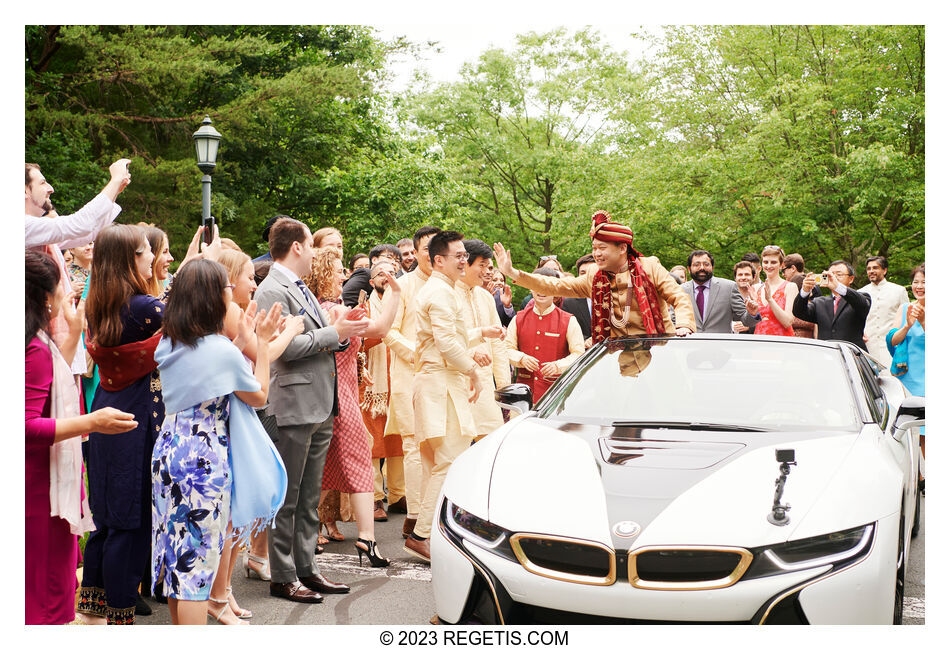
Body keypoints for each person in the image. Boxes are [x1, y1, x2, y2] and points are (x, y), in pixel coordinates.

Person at [151, 259, 283, 625]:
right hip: (204, 459)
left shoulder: (169, 342)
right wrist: (265, 343)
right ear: (212, 299)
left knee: (179, 559)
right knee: (197, 569)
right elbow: (259, 395)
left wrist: (242, 339)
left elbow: (210, 370)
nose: (232, 297)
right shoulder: (221, 352)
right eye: (227, 290)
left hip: (169, 450)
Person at [252, 217, 369, 604]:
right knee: (289, 493)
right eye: (311, 244)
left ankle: (306, 568)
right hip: (293, 403)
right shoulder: (272, 287)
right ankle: (283, 574)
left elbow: (311, 338)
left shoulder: (297, 285)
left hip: (319, 401)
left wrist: (339, 326)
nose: (317, 252)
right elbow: (283, 348)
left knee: (309, 494)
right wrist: (336, 334)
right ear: (298, 246)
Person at [25, 251, 137, 625]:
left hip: (43, 488)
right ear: (44, 297)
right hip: (39, 492)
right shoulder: (34, 350)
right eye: (62, 283)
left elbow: (51, 386)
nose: (69, 288)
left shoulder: (36, 342)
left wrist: (73, 332)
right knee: (47, 598)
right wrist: (93, 421)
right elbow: (23, 427)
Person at [76, 224, 163, 625]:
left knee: (106, 518)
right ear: (131, 260)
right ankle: (119, 615)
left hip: (105, 408)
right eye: (147, 252)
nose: (154, 258)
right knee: (128, 519)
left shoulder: (99, 302)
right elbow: (195, 320)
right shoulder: (145, 308)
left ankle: (92, 608)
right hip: (134, 416)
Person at [307, 247, 400, 567]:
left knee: (320, 471)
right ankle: (365, 539)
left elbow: (371, 336)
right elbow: (380, 329)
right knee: (350, 467)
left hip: (335, 395)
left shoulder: (322, 309)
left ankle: (348, 536)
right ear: (321, 274)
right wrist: (396, 293)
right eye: (336, 270)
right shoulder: (333, 312)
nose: (343, 275)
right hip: (337, 399)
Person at [493, 210, 695, 342]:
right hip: (617, 355)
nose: (596, 254)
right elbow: (555, 286)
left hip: (658, 347)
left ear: (622, 248)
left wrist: (684, 325)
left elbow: (679, 298)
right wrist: (513, 273)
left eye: (602, 248)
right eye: (594, 248)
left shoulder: (649, 267)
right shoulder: (595, 277)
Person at [404, 231, 482, 563]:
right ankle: (421, 534)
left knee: (440, 462)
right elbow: (447, 343)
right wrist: (472, 370)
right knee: (447, 460)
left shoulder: (443, 289)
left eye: (465, 255)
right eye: (458, 256)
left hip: (442, 381)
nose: (464, 261)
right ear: (439, 260)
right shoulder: (438, 292)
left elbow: (452, 339)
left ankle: (429, 529)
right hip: (439, 383)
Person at [26, 159, 131, 375]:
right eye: (42, 183)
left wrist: (115, 190)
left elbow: (87, 233)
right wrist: (114, 179)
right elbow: (78, 224)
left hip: (48, 333)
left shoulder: (37, 230)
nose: (50, 188)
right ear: (23, 191)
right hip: (35, 335)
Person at [383, 226, 441, 541]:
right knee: (414, 447)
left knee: (440, 446)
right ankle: (416, 518)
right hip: (410, 374)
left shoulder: (450, 286)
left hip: (443, 378)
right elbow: (388, 331)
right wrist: (416, 354)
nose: (432, 253)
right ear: (415, 253)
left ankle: (437, 516)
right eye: (426, 248)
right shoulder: (403, 286)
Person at [359, 260, 407, 519]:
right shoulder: (364, 306)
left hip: (398, 379)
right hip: (372, 388)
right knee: (375, 444)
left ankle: (399, 496)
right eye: (380, 274)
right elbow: (359, 342)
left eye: (391, 273)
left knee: (397, 440)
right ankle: (376, 499)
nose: (385, 277)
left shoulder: (403, 304)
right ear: (371, 281)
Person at [504, 267, 585, 401]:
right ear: (530, 289)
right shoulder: (518, 318)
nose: (541, 291)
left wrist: (557, 366)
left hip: (556, 395)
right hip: (523, 394)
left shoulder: (568, 320)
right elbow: (506, 348)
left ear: (556, 290)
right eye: (536, 286)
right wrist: (521, 358)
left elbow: (579, 354)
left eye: (546, 286)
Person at [457, 239, 509, 439]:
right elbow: (444, 339)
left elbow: (497, 343)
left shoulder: (486, 297)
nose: (488, 271)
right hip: (457, 381)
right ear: (465, 263)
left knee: (490, 441)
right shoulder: (447, 294)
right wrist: (471, 352)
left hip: (486, 385)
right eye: (482, 265)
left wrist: (504, 388)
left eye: (490, 266)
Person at [886, 264, 925, 461]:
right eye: (915, 282)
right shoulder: (905, 308)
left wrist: (924, 321)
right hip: (907, 379)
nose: (919, 286)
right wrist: (907, 326)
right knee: (909, 435)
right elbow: (892, 341)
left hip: (926, 379)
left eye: (924, 282)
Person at [794, 260, 872, 350]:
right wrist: (805, 291)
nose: (834, 278)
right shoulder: (819, 302)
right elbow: (798, 312)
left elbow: (862, 304)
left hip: (852, 355)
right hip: (827, 355)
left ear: (851, 279)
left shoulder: (861, 297)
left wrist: (838, 287)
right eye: (831, 275)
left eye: (839, 275)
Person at [680, 250, 756, 334]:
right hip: (689, 344)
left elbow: (747, 321)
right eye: (696, 264)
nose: (702, 268)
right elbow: (672, 320)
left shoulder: (729, 287)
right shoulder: (680, 290)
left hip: (721, 344)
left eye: (706, 264)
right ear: (689, 268)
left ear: (712, 267)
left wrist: (752, 313)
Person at [861, 256, 909, 369]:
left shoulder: (899, 290)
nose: (871, 271)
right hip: (868, 347)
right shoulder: (861, 292)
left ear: (885, 270)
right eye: (868, 269)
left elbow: (906, 318)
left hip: (892, 347)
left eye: (875, 268)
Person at [751, 245, 795, 337]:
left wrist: (770, 300)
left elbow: (788, 322)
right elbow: (749, 322)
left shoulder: (790, 287)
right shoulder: (755, 288)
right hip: (759, 341)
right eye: (766, 262)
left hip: (782, 342)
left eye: (773, 262)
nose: (769, 266)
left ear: (781, 265)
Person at [781, 253, 819, 339]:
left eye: (783, 270)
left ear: (793, 268)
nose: (783, 274)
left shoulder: (813, 289)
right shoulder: (786, 295)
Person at [561, 254, 596, 342]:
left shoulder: (614, 297)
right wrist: (584, 341)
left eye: (591, 273)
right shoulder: (569, 303)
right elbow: (567, 332)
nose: (586, 277)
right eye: (583, 273)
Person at [732, 261, 759, 334]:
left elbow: (768, 321)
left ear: (754, 277)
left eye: (747, 274)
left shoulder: (761, 296)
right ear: (735, 277)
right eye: (740, 275)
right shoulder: (728, 296)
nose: (743, 278)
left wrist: (749, 326)